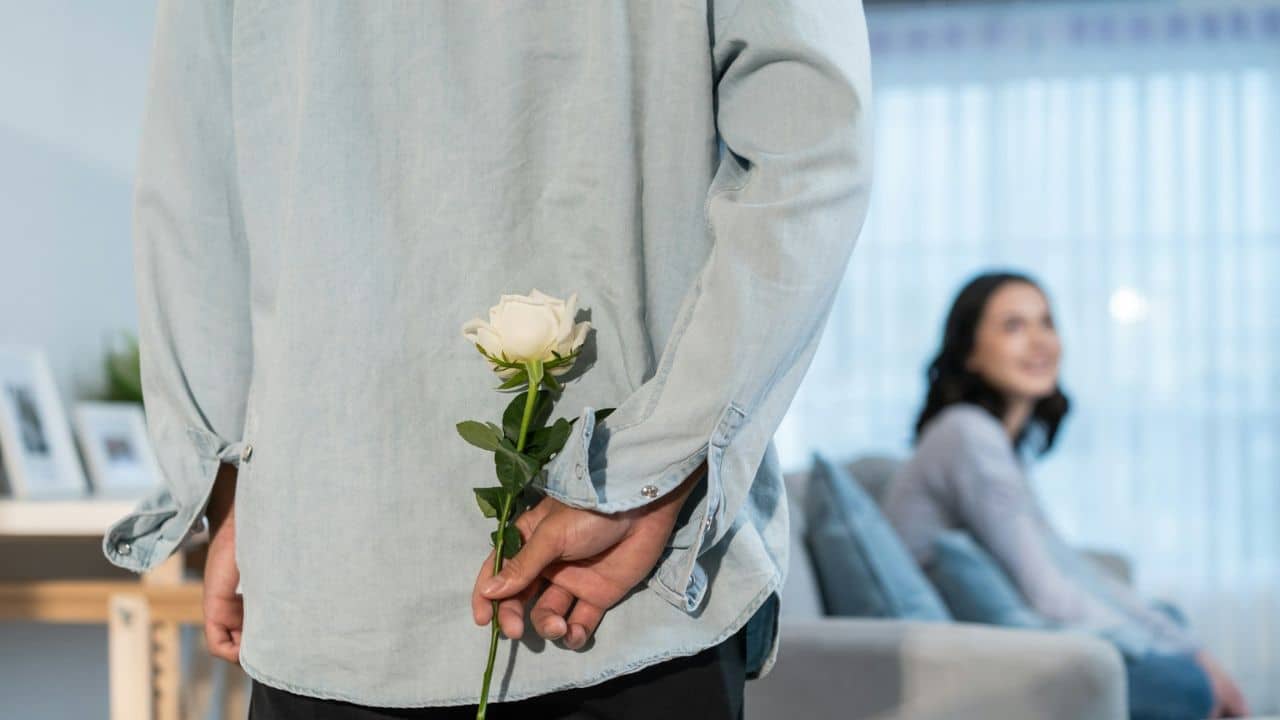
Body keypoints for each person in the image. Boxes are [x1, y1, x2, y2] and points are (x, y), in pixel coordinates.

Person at [101, 1, 873, 718]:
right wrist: (651, 467)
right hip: (605, 594)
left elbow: (194, 179)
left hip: (378, 571)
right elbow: (809, 148)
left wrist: (227, 472)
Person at [881, 271, 1251, 720]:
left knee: (1170, 625)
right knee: (1186, 684)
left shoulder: (996, 444)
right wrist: (1184, 657)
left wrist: (1183, 644)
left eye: (1046, 323)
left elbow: (1067, 563)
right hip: (978, 659)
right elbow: (1047, 589)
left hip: (1013, 638)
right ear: (970, 353)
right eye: (1013, 326)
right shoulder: (966, 434)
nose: (1040, 342)